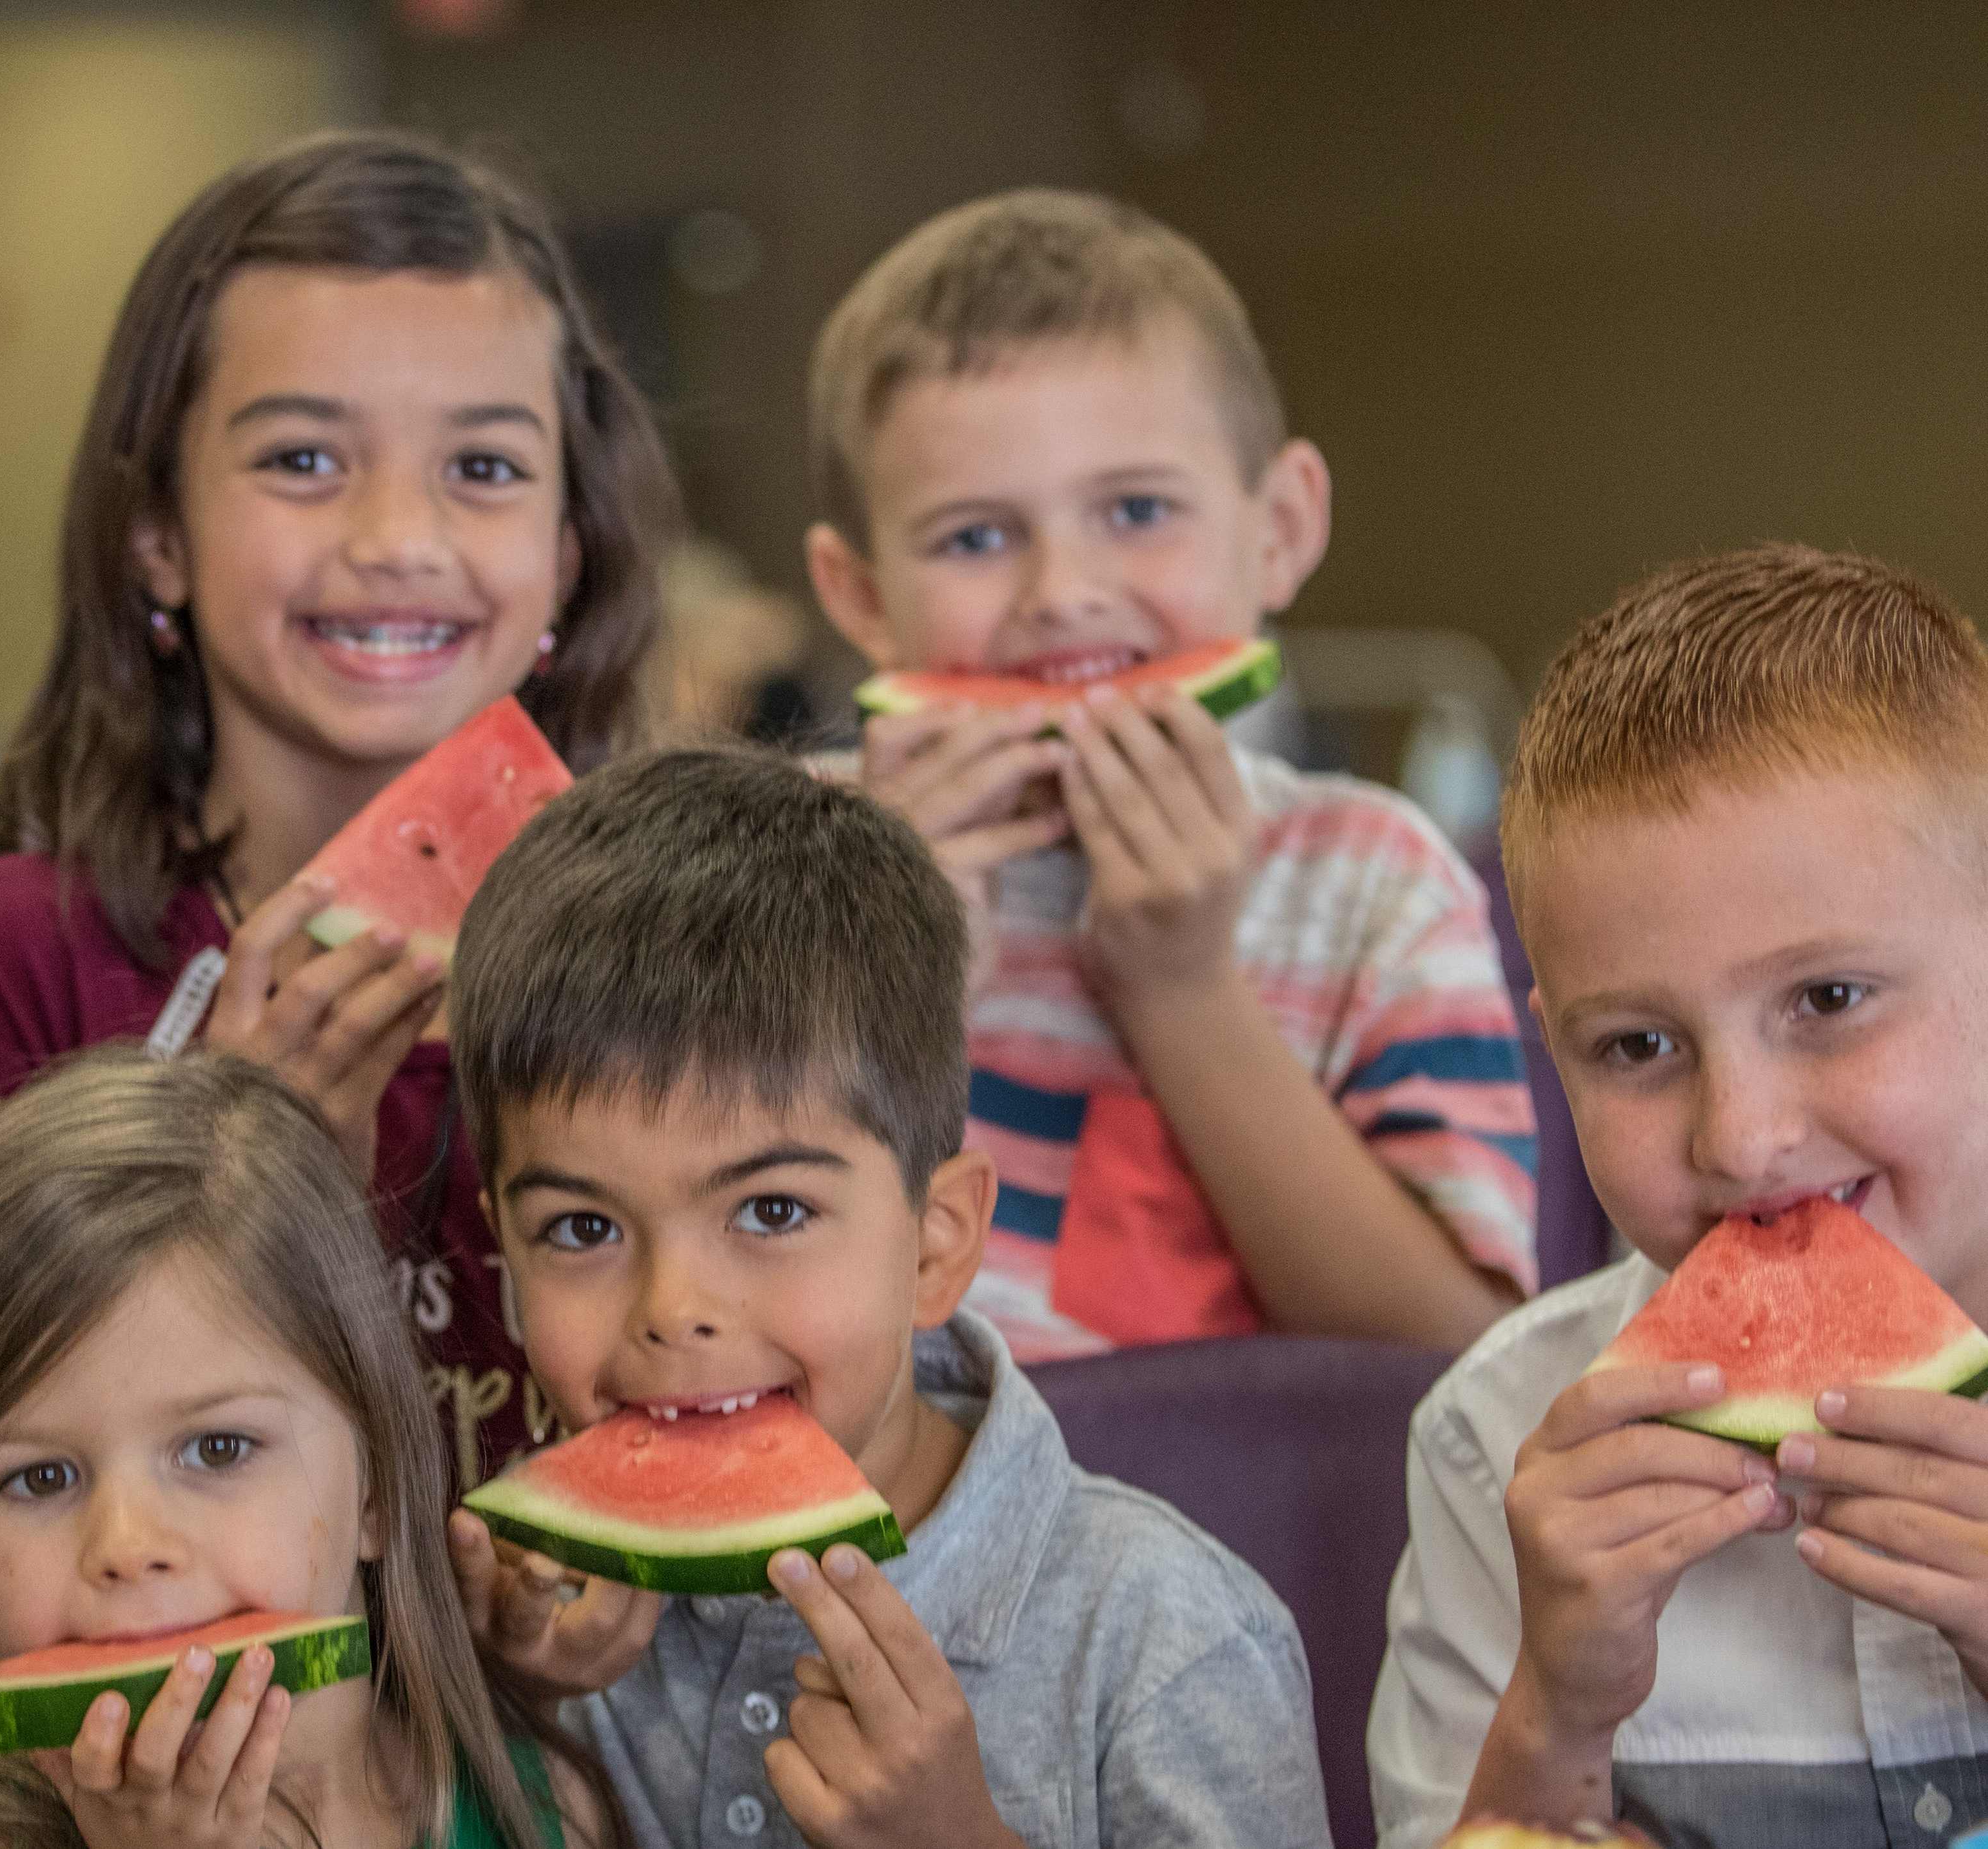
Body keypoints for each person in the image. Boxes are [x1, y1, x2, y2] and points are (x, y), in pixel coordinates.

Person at [0, 128, 674, 1490]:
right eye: (305, 461)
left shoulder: (690, 961)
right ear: (159, 537)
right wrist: (251, 1191)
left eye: (481, 469)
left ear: (565, 551)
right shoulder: (21, 965)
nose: (396, 540)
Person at [444, 747, 1331, 1849]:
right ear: (504, 1251)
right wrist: (508, 1712)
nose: (673, 1306)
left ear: (935, 1243)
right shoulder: (514, 1604)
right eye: (583, 1228)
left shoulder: (1163, 1637)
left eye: (769, 1211)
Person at [805, 189, 1535, 1358]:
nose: (1062, 590)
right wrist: (891, 976)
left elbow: (1456, 1352)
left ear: (1282, 526)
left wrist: (1183, 988)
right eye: (975, 538)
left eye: (1136, 509)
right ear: (855, 594)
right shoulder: (776, 865)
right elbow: (719, 1277)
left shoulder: (1375, 881)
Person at [1368, 546, 1988, 1846]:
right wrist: (1558, 1710)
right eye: (1636, 1048)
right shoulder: (1503, 1445)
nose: (1744, 1137)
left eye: (1828, 1001)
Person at [0, 1047, 622, 1849]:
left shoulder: (547, 1807)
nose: (128, 1548)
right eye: (41, 1477)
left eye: (216, 1450)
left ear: (375, 1483)